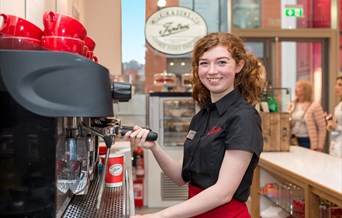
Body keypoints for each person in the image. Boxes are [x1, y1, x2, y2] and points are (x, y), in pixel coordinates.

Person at [124, 32, 265, 217]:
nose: (212, 71)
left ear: (239, 65)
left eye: (222, 62)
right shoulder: (201, 117)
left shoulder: (244, 117)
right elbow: (180, 176)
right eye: (204, 63)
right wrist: (154, 147)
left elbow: (223, 192)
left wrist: (158, 215)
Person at [288, 80, 326, 151]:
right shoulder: (293, 104)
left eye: (299, 87)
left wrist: (319, 147)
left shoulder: (315, 106)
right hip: (294, 139)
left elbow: (322, 128)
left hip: (307, 140)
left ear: (306, 90)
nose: (296, 89)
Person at [326, 76, 342, 158]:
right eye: (336, 84)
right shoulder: (338, 106)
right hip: (336, 145)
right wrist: (331, 124)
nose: (336, 87)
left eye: (340, 85)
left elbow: (338, 127)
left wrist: (337, 127)